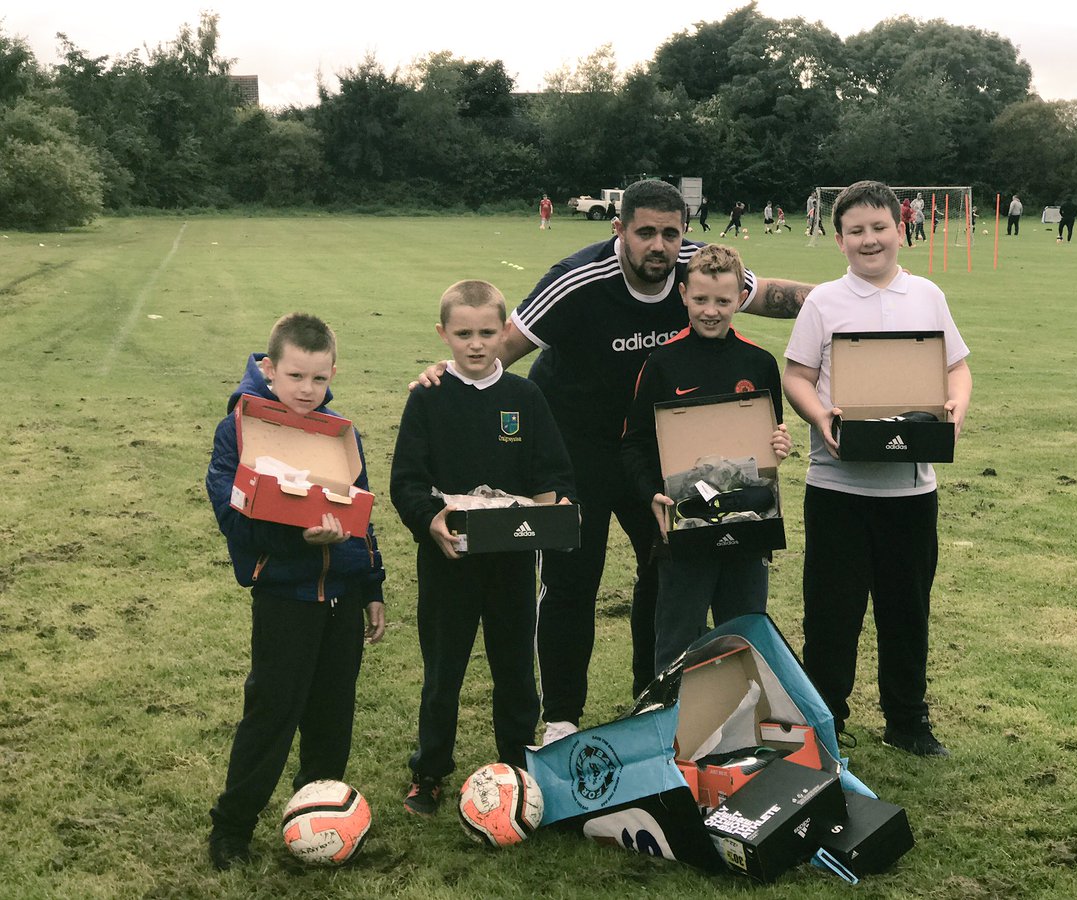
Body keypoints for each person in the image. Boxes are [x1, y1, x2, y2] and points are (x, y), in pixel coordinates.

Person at [411, 179, 812, 744]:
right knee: (575, 579)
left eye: (670, 233)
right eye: (645, 231)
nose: (659, 245)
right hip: (578, 447)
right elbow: (503, 346)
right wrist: (442, 374)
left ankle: (653, 696)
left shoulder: (697, 269)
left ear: (684, 236)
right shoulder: (578, 281)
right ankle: (562, 717)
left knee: (665, 566)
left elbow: (764, 293)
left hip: (655, 449)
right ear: (619, 229)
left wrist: (844, 297)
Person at [782, 181, 972, 758]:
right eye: (856, 231)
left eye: (879, 227)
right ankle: (825, 722)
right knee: (832, 611)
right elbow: (796, 376)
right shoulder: (824, 302)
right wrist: (823, 419)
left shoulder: (927, 295)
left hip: (911, 491)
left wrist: (955, 412)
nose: (869, 240)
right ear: (839, 239)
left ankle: (908, 720)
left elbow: (957, 368)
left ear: (900, 229)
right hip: (838, 486)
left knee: (906, 608)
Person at [205, 313, 387, 869]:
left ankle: (318, 824)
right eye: (295, 377)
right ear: (269, 368)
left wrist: (372, 583)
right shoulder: (240, 428)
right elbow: (235, 519)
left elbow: (362, 514)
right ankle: (232, 829)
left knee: (333, 715)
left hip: (343, 597)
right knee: (273, 711)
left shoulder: (338, 430)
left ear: (333, 371)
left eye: (318, 378)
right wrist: (298, 537)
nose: (307, 390)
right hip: (285, 597)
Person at [390, 280, 575, 815]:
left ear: (504, 333)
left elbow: (552, 472)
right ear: (443, 334)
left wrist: (555, 508)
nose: (476, 344)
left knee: (515, 666)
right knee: (443, 667)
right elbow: (406, 480)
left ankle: (517, 762)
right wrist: (431, 521)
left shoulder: (525, 397)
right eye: (463, 333)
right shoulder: (428, 397)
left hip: (513, 559)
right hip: (448, 560)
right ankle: (429, 771)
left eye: (487, 332)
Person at [621, 244, 791, 672]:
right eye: (700, 300)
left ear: (739, 299)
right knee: (678, 639)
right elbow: (635, 444)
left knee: (745, 635)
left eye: (722, 301)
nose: (711, 311)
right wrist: (651, 495)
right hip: (685, 524)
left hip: (747, 525)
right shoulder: (661, 364)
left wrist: (779, 446)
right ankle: (672, 728)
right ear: (682, 295)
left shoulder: (760, 362)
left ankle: (738, 730)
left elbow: (768, 440)